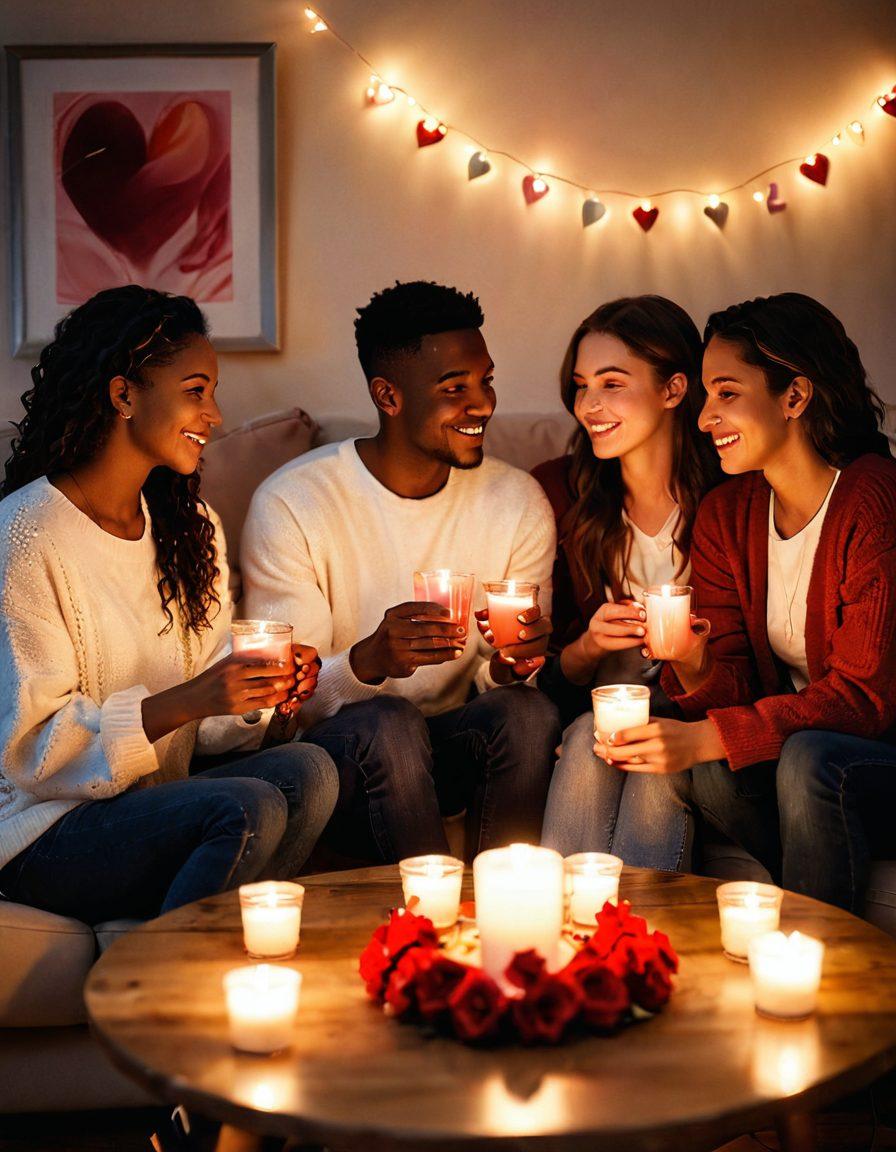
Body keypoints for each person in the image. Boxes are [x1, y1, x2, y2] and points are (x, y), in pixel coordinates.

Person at [0, 286, 338, 924]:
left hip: (153, 803)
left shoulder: (192, 527)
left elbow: (207, 723)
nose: (214, 413)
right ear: (124, 394)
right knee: (247, 806)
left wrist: (255, 692)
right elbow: (34, 755)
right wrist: (197, 696)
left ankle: (185, 938)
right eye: (195, 390)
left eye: (211, 391)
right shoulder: (24, 536)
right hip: (42, 830)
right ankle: (166, 979)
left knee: (310, 770)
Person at [241, 280, 560, 862]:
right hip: (346, 750)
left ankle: (510, 909)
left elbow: (505, 684)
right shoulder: (295, 502)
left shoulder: (518, 501)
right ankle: (422, 929)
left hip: (452, 739)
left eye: (485, 381)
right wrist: (369, 661)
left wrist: (515, 667)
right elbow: (285, 707)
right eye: (454, 388)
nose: (483, 404)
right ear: (388, 396)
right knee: (388, 721)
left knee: (529, 713)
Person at [598, 292, 896, 912]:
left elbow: (866, 699)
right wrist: (696, 664)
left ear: (794, 397)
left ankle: (819, 951)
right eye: (707, 395)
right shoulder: (728, 514)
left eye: (727, 393)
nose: (706, 418)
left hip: (872, 758)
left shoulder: (875, 501)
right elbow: (736, 694)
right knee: (705, 763)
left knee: (804, 759)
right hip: (797, 756)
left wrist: (712, 736)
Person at [535, 296, 720, 866]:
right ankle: (558, 932)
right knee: (597, 735)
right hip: (592, 718)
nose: (589, 405)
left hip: (694, 722)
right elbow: (541, 675)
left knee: (651, 762)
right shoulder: (559, 492)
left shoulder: (730, 500)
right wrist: (587, 647)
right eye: (581, 385)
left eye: (612, 384)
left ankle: (638, 944)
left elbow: (749, 672)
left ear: (673, 390)